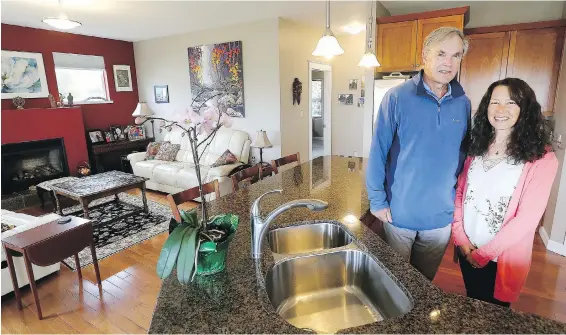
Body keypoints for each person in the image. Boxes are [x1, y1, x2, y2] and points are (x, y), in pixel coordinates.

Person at [366, 27, 471, 280]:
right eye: (441, 53)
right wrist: (377, 200)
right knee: (395, 282)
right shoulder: (396, 97)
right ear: (425, 55)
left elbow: (464, 157)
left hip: (440, 217)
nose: (448, 62)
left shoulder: (464, 103)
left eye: (456, 55)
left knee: (425, 284)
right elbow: (378, 150)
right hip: (399, 213)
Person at [452, 78, 558, 307]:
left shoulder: (542, 158)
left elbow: (527, 219)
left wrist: (483, 254)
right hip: (467, 248)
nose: (500, 110)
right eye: (494, 102)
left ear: (525, 109)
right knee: (474, 302)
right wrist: (461, 239)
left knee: (495, 316)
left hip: (500, 258)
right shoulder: (477, 146)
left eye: (511, 102)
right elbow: (460, 193)